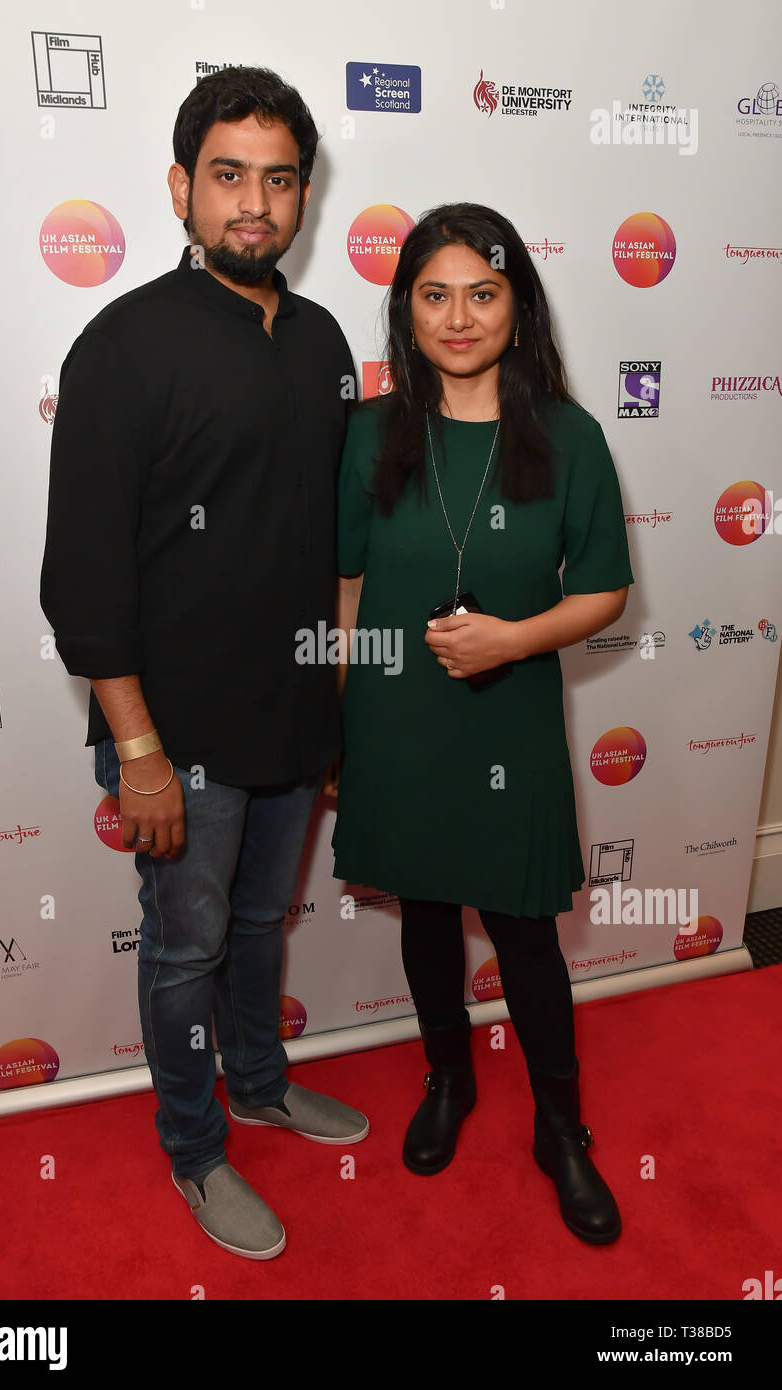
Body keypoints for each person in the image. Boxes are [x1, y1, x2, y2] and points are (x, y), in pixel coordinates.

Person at [40, 66, 368, 1263]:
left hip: (295, 716)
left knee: (258, 925)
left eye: (278, 180)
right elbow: (80, 581)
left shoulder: (326, 338)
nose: (255, 205)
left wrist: (336, 690)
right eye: (228, 176)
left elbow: (335, 545)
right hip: (175, 738)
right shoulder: (122, 346)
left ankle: (263, 1085)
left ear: (303, 196)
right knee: (184, 946)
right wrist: (138, 752)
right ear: (181, 186)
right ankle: (194, 1146)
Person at [327, 203, 634, 1245]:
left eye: (482, 292)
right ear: (405, 308)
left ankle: (560, 1129)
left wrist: (509, 641)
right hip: (393, 721)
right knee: (421, 913)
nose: (458, 317)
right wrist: (337, 721)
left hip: (506, 720)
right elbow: (346, 586)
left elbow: (601, 594)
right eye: (434, 294)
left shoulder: (569, 435)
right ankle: (447, 1081)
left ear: (517, 305)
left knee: (523, 931)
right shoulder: (369, 433)